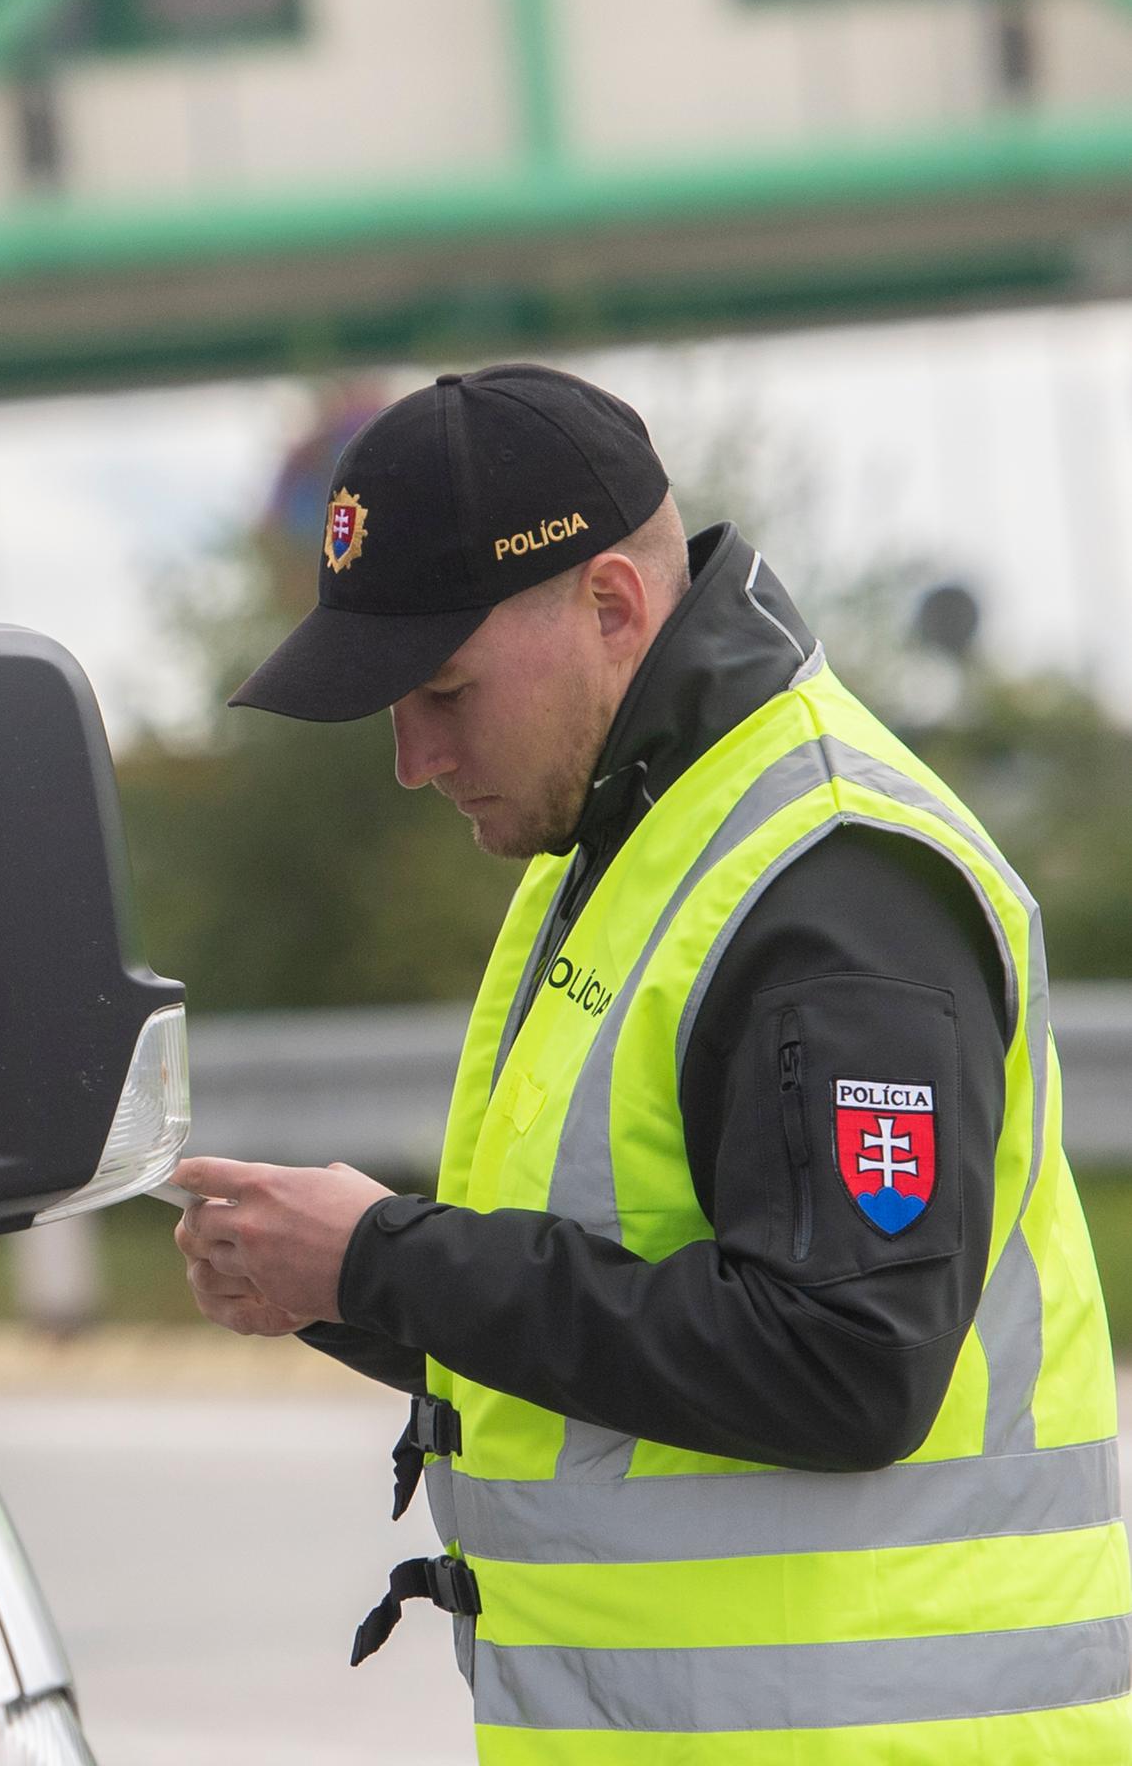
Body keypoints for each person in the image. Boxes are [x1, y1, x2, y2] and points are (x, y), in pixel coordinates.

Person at [174, 365, 1129, 1759]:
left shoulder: (823, 871)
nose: (409, 756)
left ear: (610, 608)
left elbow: (841, 1359)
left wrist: (387, 1259)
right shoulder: (632, 845)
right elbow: (634, 1313)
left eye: (440, 689)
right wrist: (342, 1278)